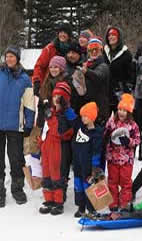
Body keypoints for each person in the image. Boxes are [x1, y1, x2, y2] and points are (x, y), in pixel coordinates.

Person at [0, 46, 35, 207]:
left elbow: (29, 103)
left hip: (16, 125)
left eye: (12, 56)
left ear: (17, 59)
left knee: (16, 159)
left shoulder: (24, 78)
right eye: (7, 56)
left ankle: (17, 189)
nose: (9, 59)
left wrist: (29, 121)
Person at [61, 101, 104, 217]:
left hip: (89, 166)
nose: (83, 118)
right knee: (78, 185)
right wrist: (66, 107)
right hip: (78, 164)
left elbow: (97, 152)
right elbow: (73, 119)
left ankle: (91, 209)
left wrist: (94, 168)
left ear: (92, 117)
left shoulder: (97, 133)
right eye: (82, 116)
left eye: (85, 116)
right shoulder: (80, 127)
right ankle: (81, 207)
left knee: (89, 186)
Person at [38, 82, 73, 215]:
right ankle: (49, 200)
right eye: (54, 96)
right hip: (46, 147)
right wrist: (40, 144)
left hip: (58, 148)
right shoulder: (51, 111)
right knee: (46, 173)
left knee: (56, 175)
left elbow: (60, 132)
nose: (56, 99)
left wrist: (51, 117)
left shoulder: (65, 115)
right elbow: (44, 129)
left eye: (59, 96)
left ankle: (58, 202)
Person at [104, 94, 140, 211]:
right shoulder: (112, 123)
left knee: (126, 183)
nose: (121, 112)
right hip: (112, 159)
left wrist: (128, 141)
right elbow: (105, 134)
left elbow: (137, 140)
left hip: (126, 160)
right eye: (120, 109)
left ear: (129, 112)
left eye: (124, 110)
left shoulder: (133, 126)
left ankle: (124, 203)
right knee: (112, 182)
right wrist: (108, 136)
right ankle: (113, 203)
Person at [32, 23, 73, 97]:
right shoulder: (49, 49)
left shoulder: (73, 48)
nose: (62, 35)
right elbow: (39, 66)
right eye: (60, 32)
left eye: (65, 33)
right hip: (49, 85)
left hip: (67, 85)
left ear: (69, 35)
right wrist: (37, 81)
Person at [81, 37, 110, 126]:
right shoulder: (87, 64)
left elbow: (98, 76)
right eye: (91, 50)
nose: (94, 52)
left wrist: (86, 72)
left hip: (100, 107)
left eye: (96, 49)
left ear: (101, 51)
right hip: (88, 105)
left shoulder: (103, 65)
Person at [103, 26, 133, 113]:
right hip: (106, 89)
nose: (111, 37)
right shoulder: (104, 51)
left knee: (120, 114)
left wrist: (127, 88)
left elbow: (130, 73)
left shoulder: (126, 53)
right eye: (109, 35)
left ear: (118, 37)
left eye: (113, 35)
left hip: (120, 90)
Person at [36, 56, 68, 128]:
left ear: (61, 68)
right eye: (51, 67)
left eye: (56, 67)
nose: (53, 70)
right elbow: (41, 105)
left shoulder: (66, 82)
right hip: (47, 122)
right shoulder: (46, 83)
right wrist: (40, 121)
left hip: (60, 123)